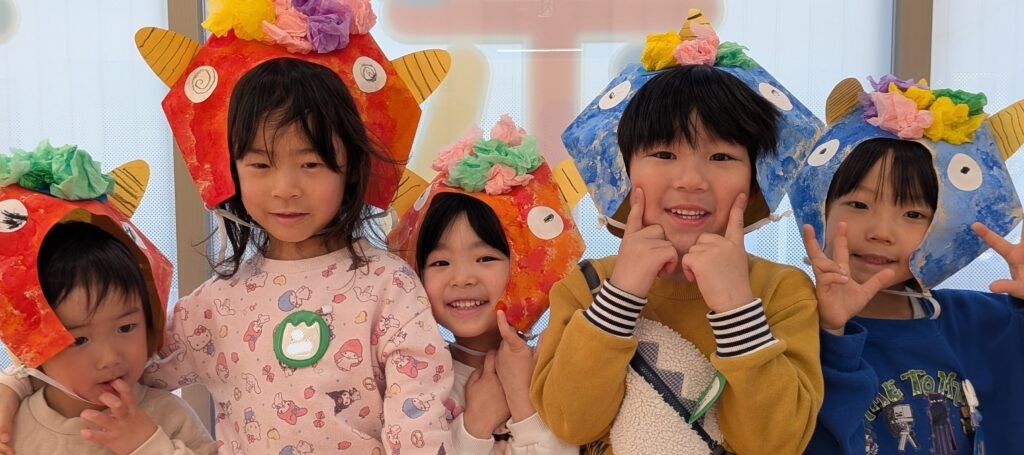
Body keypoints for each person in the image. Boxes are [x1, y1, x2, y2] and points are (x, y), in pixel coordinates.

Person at [2, 1, 455, 452]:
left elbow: (420, 434)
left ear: (351, 168)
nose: (285, 189)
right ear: (231, 171)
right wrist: (14, 386)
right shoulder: (214, 306)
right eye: (260, 164)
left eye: (311, 163)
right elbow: (109, 355)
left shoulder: (390, 287)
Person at [533, 10, 825, 455]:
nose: (691, 180)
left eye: (722, 157)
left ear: (755, 181)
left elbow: (774, 444)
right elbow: (571, 421)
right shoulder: (586, 286)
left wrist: (736, 307)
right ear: (625, 173)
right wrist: (620, 295)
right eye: (664, 154)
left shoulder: (783, 292)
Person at [793, 75, 1024, 454]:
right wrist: (832, 335)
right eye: (858, 204)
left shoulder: (985, 322)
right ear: (820, 207)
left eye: (913, 213)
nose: (880, 232)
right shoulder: (790, 323)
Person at [0, 144, 214, 454]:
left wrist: (148, 444)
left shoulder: (169, 416)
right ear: (33, 345)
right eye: (78, 340)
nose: (109, 359)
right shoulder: (11, 426)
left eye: (126, 327)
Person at [389, 116, 584, 454]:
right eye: (440, 263)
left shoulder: (554, 368)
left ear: (527, 265)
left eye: (485, 258)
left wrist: (522, 400)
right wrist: (475, 425)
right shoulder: (414, 377)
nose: (462, 278)